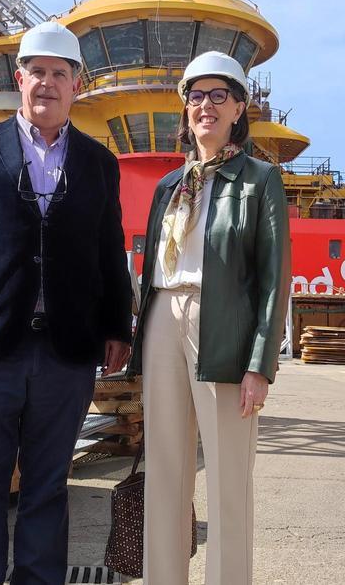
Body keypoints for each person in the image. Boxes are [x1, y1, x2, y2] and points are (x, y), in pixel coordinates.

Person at [0, 20, 133, 585]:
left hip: (66, 348)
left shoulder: (98, 162)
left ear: (76, 85)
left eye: (59, 74)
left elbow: (109, 248)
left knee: (46, 484)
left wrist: (117, 327)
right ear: (20, 79)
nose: (47, 83)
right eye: (37, 72)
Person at [128, 51, 291, 585]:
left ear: (240, 107)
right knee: (166, 473)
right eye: (196, 96)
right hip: (160, 318)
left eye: (219, 95)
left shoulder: (260, 180)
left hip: (223, 326)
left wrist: (260, 365)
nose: (206, 106)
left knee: (227, 477)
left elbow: (274, 279)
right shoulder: (167, 187)